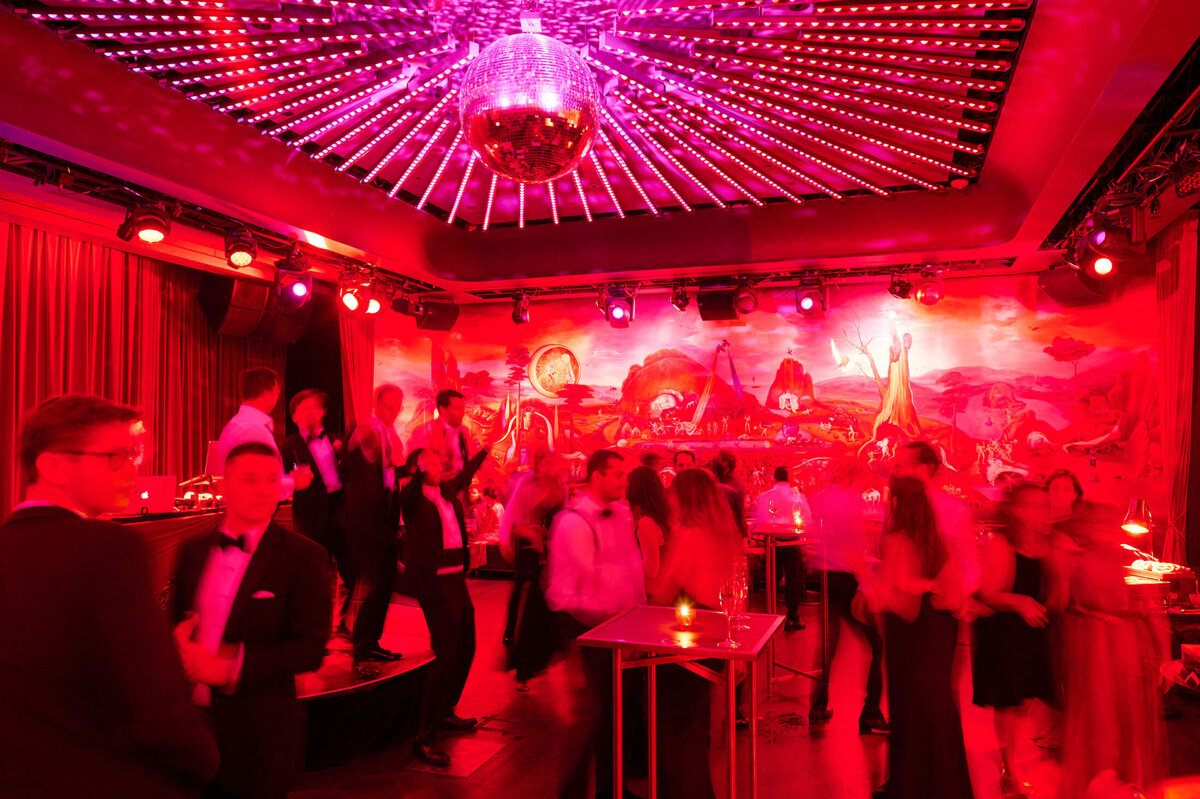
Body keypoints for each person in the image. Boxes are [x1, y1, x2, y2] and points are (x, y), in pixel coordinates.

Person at [0, 395, 218, 798]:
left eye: (131, 456)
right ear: (52, 466)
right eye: (114, 457)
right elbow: (154, 699)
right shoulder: (109, 547)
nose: (132, 471)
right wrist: (203, 763)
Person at [171, 441, 331, 799]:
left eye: (272, 480)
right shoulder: (193, 551)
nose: (263, 490)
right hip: (192, 730)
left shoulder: (304, 557)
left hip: (260, 735)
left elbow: (310, 649)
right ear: (223, 486)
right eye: (249, 479)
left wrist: (230, 669)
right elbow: (176, 626)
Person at [1050, 474, 1166, 798]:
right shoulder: (1075, 558)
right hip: (1093, 644)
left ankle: (1125, 784)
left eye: (1107, 523)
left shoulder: (1125, 559)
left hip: (1123, 645)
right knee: (1098, 720)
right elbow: (1060, 603)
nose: (1103, 528)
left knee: (1127, 721)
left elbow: (1149, 608)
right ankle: (1100, 782)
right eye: (1096, 523)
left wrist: (1162, 655)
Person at [861, 475, 973, 799]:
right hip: (937, 643)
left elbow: (907, 609)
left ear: (895, 502)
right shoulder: (936, 538)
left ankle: (912, 787)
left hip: (913, 644)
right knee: (937, 713)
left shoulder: (898, 539)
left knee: (912, 715)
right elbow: (954, 599)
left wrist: (871, 583)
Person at [545, 449, 646, 799]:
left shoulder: (619, 514)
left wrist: (637, 615)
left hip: (614, 625)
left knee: (613, 715)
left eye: (625, 475)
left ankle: (613, 787)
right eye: (617, 474)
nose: (625, 481)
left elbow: (631, 567)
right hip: (582, 626)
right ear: (597, 476)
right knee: (586, 718)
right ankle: (569, 793)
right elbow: (590, 581)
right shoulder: (573, 521)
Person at [649, 468, 746, 799]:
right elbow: (738, 592)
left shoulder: (688, 533)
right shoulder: (725, 532)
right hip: (719, 629)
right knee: (696, 723)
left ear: (682, 497)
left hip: (691, 633)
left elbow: (664, 590)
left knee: (674, 730)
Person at [400, 443, 489, 767]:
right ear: (420, 467)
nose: (439, 465)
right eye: (432, 461)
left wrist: (484, 450)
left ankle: (445, 710)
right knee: (447, 653)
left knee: (467, 646)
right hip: (434, 583)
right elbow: (407, 485)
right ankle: (424, 736)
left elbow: (464, 475)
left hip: (455, 579)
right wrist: (416, 467)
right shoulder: (411, 497)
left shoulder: (447, 491)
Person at [972, 482, 1055, 798]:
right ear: (1017, 511)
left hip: (1034, 632)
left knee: (1028, 703)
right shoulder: (1002, 544)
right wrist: (1019, 602)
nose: (1041, 511)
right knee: (1010, 705)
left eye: (1043, 505)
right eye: (1033, 505)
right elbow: (987, 593)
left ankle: (1023, 764)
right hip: (1005, 633)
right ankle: (1010, 770)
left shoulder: (1050, 543)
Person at [806, 464, 887, 733]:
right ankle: (871, 712)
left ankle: (818, 705)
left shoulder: (821, 498)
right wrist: (865, 581)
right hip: (846, 577)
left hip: (826, 575)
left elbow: (815, 536)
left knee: (828, 646)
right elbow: (854, 547)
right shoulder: (850, 506)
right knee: (877, 644)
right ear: (853, 476)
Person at [280, 389, 355, 636]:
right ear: (295, 416)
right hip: (310, 515)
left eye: (316, 407)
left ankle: (340, 622)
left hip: (340, 510)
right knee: (313, 572)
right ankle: (312, 627)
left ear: (323, 411)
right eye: (305, 409)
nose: (312, 412)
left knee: (350, 569)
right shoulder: (289, 446)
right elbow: (279, 480)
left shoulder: (338, 440)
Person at [342, 384, 407, 668]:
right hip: (367, 518)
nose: (392, 412)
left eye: (396, 407)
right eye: (388, 406)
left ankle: (370, 642)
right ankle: (363, 645)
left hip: (384, 515)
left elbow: (389, 474)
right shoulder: (366, 430)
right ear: (376, 404)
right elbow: (363, 468)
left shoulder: (389, 433)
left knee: (384, 583)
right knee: (379, 582)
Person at [499, 452, 568, 689]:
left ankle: (539, 659)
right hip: (528, 551)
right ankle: (521, 660)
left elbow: (563, 517)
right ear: (539, 466)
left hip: (549, 551)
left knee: (545, 604)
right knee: (525, 602)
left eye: (554, 463)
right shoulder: (526, 486)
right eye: (549, 463)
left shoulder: (559, 486)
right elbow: (514, 522)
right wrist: (531, 536)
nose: (553, 468)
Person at [891, 440, 979, 602]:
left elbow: (969, 566)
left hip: (933, 603)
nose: (894, 472)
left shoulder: (953, 509)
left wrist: (954, 596)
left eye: (900, 466)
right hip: (898, 601)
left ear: (923, 470)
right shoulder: (896, 503)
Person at [216, 367, 312, 497]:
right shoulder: (254, 429)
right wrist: (295, 481)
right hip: (252, 513)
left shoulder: (232, 426)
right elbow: (260, 485)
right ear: (269, 393)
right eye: (277, 392)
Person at [753, 465, 810, 630]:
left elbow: (759, 523)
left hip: (772, 542)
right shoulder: (797, 496)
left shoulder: (764, 497)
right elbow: (807, 519)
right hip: (792, 541)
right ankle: (792, 618)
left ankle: (768, 619)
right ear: (788, 478)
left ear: (774, 478)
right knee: (793, 579)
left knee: (772, 578)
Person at [408, 389, 471, 485]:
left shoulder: (463, 431)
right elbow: (412, 469)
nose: (462, 413)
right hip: (435, 494)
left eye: (463, 408)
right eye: (457, 408)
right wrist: (432, 449)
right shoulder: (424, 432)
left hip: (457, 494)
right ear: (442, 410)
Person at [627, 464, 671, 586]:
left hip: (650, 591)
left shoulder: (646, 523)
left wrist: (624, 556)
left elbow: (651, 570)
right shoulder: (660, 516)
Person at [710, 450, 748, 537]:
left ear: (726, 463)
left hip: (729, 530)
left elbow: (739, 511)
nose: (715, 463)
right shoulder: (716, 478)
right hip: (718, 528)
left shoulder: (734, 481)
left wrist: (743, 534)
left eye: (718, 460)